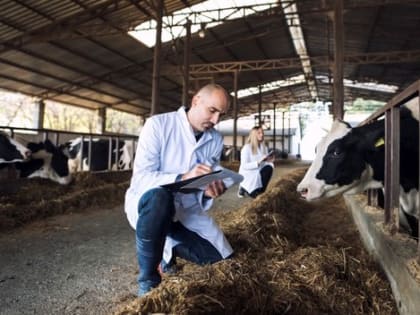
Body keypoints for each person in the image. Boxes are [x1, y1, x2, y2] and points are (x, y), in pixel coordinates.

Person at [124, 83, 233, 297]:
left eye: (221, 114)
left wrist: (207, 191)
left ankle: (168, 247)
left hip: (185, 212)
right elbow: (141, 178)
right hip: (150, 207)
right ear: (195, 101)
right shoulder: (158, 125)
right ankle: (148, 280)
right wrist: (181, 177)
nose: (216, 121)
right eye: (212, 111)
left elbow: (204, 180)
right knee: (160, 197)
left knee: (221, 257)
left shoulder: (215, 139)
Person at [237, 126, 274, 198]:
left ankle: (261, 191)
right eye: (259, 133)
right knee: (254, 195)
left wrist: (268, 160)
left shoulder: (264, 147)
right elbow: (244, 165)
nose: (262, 135)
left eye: (262, 133)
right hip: (248, 175)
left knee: (269, 167)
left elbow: (264, 163)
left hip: (258, 173)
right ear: (254, 135)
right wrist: (258, 162)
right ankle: (243, 187)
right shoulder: (246, 148)